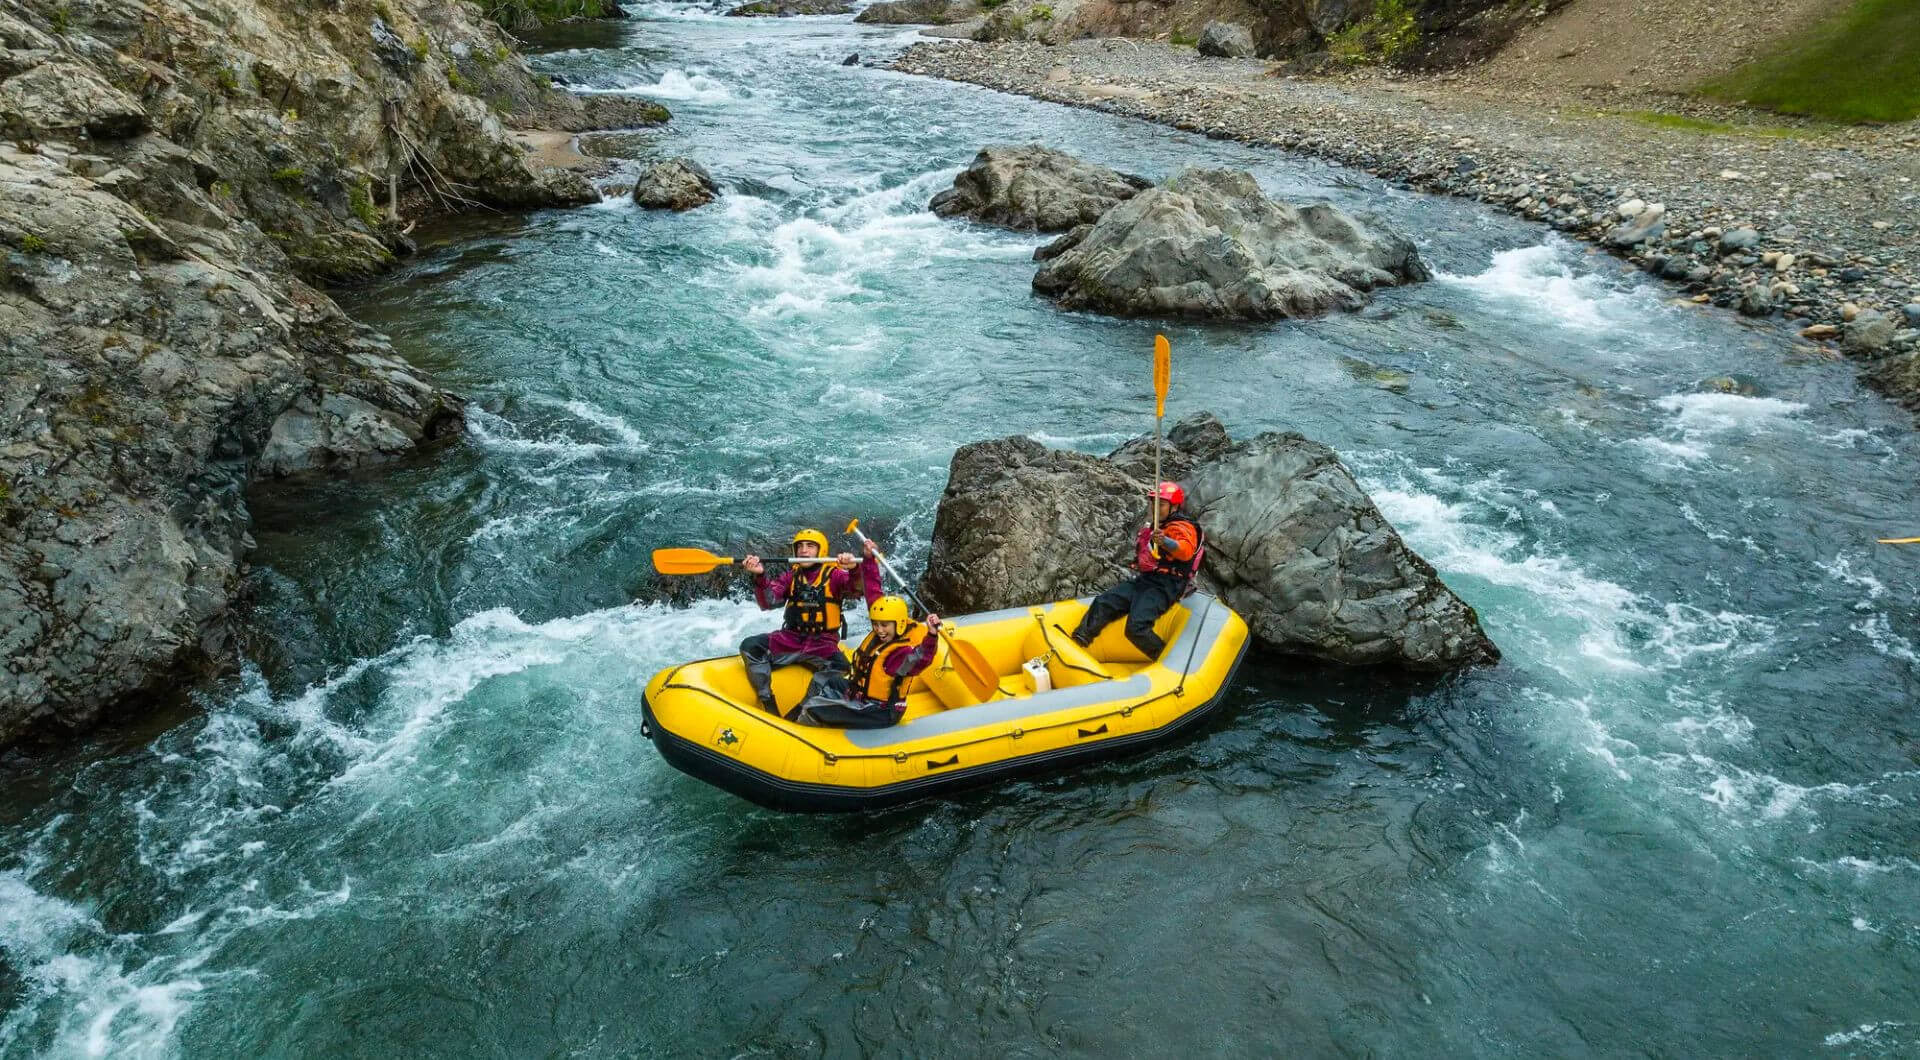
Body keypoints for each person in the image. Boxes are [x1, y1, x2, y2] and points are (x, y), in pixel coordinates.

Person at [738, 529, 880, 716]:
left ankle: (802, 709)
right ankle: (767, 700)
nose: (804, 550)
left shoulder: (836, 575)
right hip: (790, 638)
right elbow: (768, 602)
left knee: (842, 667)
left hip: (823, 643)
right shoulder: (791, 576)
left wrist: (854, 569)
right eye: (800, 547)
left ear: (821, 551)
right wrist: (760, 575)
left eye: (810, 546)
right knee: (750, 645)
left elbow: (857, 589)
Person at [1070, 481, 1205, 659]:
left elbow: (1185, 551)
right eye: (1154, 503)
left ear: (1174, 507)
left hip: (1167, 585)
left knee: (1136, 627)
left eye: (1161, 504)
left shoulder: (1182, 527)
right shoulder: (1158, 525)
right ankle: (1079, 640)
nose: (1156, 508)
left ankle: (1165, 659)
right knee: (1104, 602)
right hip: (1147, 580)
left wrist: (1165, 541)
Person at [794, 596, 941, 728]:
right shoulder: (880, 640)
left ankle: (800, 729)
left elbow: (921, 659)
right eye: (875, 624)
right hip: (862, 695)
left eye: (884, 625)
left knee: (815, 709)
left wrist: (932, 635)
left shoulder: (900, 653)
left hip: (880, 711)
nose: (879, 630)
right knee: (831, 682)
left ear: (900, 624)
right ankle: (798, 714)